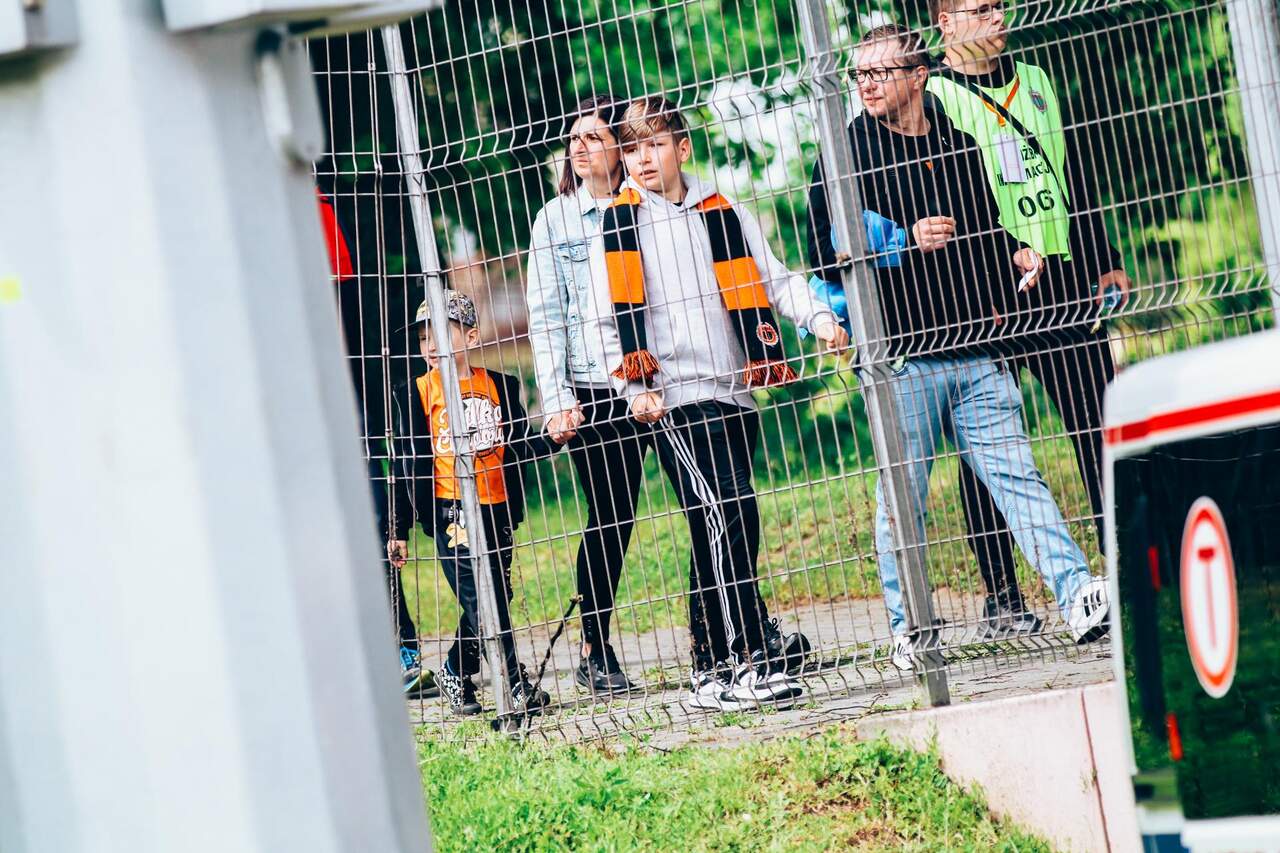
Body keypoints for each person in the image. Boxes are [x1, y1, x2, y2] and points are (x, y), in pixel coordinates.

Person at [807, 26, 1110, 670]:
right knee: (903, 500)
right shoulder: (844, 151)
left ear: (918, 76)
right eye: (860, 74)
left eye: (881, 72)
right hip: (902, 356)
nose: (866, 84)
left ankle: (1077, 593)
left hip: (975, 347)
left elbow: (984, 229)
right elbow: (827, 244)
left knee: (1018, 477)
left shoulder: (958, 144)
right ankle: (910, 630)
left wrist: (1014, 257)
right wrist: (904, 240)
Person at [600, 97, 848, 710]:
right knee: (729, 510)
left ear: (682, 147)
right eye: (631, 148)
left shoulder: (722, 210)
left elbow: (776, 278)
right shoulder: (619, 225)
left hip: (734, 391)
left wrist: (819, 318)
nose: (642, 158)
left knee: (717, 523)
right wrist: (636, 390)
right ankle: (747, 662)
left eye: (654, 144)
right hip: (673, 398)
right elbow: (602, 322)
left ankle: (707, 670)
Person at [924, 0, 1131, 624]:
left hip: (1060, 275)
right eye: (981, 9)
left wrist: (1103, 257)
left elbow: (1071, 174)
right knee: (989, 446)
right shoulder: (935, 96)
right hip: (993, 287)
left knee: (1100, 418)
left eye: (999, 6)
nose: (997, 18)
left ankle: (1125, 557)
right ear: (946, 23)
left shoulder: (1036, 79)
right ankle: (1002, 593)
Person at [387, 290, 563, 716]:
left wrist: (554, 438)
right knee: (482, 599)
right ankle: (513, 682)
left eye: (440, 335)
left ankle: (454, 669)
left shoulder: (500, 385)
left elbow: (517, 445)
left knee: (496, 592)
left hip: (496, 506)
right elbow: (406, 463)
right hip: (451, 511)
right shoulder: (416, 392)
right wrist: (397, 528)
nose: (430, 346)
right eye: (423, 338)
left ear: (470, 336)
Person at [525, 95, 647, 695]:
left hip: (653, 378)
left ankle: (724, 632)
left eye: (593, 138)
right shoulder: (555, 219)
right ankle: (595, 647)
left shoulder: (644, 206)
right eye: (574, 137)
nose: (579, 146)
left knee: (700, 500)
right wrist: (557, 399)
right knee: (612, 513)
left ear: (620, 149)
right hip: (592, 389)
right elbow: (546, 315)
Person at [317, 188, 434, 696]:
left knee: (371, 520)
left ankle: (400, 650)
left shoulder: (311, 206)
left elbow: (339, 312)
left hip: (336, 398)